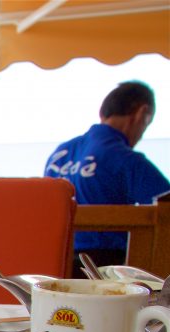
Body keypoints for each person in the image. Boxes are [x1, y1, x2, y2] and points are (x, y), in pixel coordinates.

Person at [44, 80, 170, 267]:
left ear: (103, 113)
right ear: (142, 113)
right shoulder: (125, 159)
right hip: (107, 271)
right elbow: (166, 205)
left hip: (58, 264)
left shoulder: (59, 155)